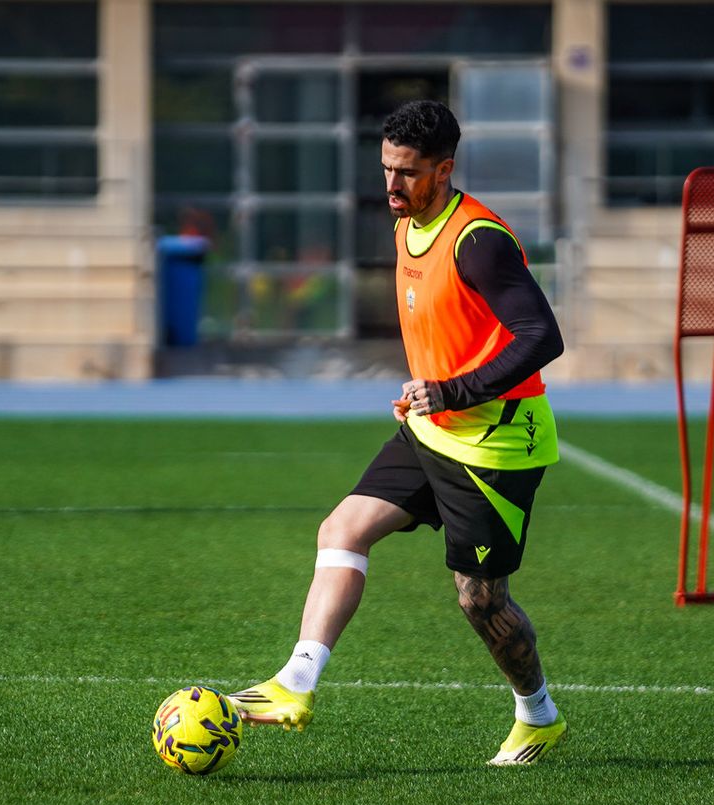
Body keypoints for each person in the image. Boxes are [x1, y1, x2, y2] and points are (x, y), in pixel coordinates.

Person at [229, 100, 567, 765]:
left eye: (407, 173)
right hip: (431, 429)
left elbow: (542, 336)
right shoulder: (406, 221)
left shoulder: (480, 241)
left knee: (479, 600)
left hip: (495, 446)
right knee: (341, 530)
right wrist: (427, 389)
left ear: (443, 170)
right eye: (385, 168)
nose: (391, 185)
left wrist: (449, 390)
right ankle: (294, 683)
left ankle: (539, 714)